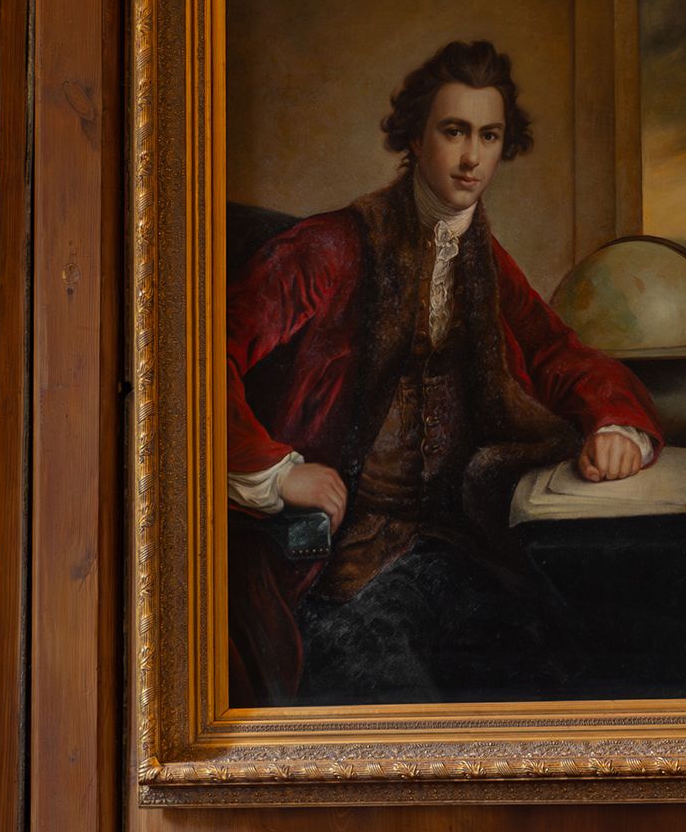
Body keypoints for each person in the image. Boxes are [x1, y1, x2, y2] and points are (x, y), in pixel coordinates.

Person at [224, 38, 662, 704]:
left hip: (454, 545)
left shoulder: (483, 257)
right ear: (414, 137)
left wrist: (616, 426)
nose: (471, 158)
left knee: (571, 672)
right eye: (454, 131)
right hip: (339, 568)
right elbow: (197, 357)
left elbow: (556, 352)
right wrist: (279, 472)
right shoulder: (328, 248)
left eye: (489, 135)